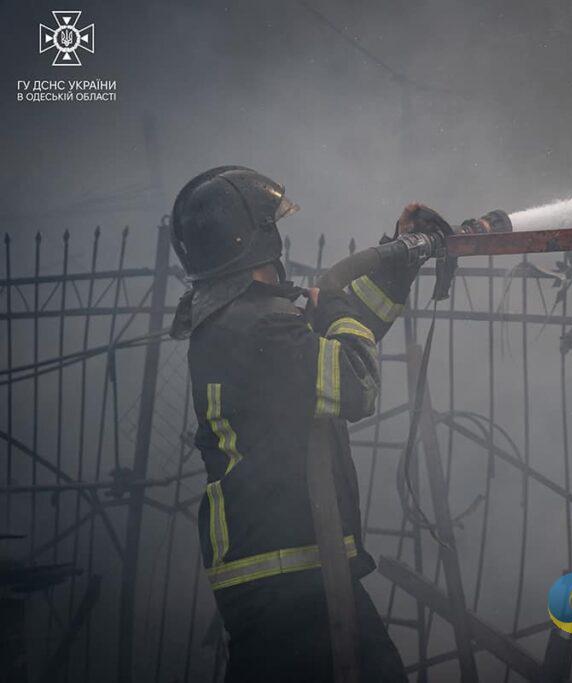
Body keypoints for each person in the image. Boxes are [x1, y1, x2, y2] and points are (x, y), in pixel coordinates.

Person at [169, 166, 447, 681]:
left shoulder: (241, 321)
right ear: (256, 235)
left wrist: (401, 255)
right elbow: (355, 381)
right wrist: (336, 302)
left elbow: (343, 339)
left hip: (284, 571)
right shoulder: (261, 327)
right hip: (290, 574)